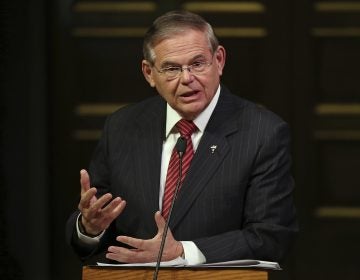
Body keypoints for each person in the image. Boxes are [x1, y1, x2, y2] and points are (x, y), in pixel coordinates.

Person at [66, 10, 298, 265]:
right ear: (149, 73)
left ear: (219, 60)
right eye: (172, 68)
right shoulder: (122, 127)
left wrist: (182, 252)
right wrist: (89, 228)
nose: (187, 79)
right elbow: (95, 223)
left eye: (198, 64)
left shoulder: (262, 132)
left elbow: (270, 236)